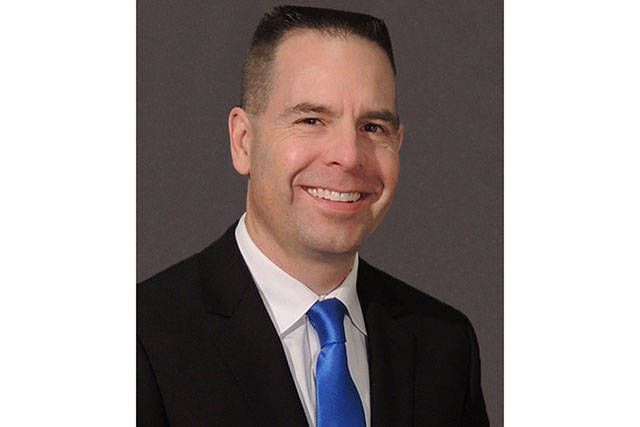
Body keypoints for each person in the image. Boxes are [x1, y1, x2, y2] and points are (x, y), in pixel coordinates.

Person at [137, 5, 489, 426]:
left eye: (372, 127)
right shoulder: (142, 339)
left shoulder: (444, 345)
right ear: (243, 141)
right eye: (311, 120)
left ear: (398, 143)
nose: (348, 156)